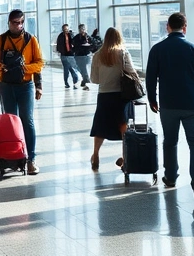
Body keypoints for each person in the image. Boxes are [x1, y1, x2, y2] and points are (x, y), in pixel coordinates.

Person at [146, 12, 194, 203]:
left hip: (168, 104)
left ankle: (170, 177)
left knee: (170, 141)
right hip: (193, 104)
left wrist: (152, 99)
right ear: (185, 27)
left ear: (167, 27)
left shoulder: (157, 49)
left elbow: (150, 77)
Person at [0, 9, 44, 175]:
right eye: (14, 23)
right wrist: (0, 67)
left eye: (20, 22)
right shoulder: (1, 40)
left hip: (25, 85)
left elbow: (39, 62)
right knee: (11, 122)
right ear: (9, 23)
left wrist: (34, 79)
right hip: (6, 85)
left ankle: (30, 159)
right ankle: (13, 157)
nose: (18, 26)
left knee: (27, 120)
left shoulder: (31, 40)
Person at [87, 27, 137, 171]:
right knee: (123, 126)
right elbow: (132, 72)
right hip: (122, 96)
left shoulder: (98, 55)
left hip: (104, 95)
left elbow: (94, 79)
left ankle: (96, 155)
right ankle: (125, 158)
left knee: (101, 126)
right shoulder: (123, 53)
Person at [56, 24, 80, 89]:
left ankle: (75, 83)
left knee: (73, 69)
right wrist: (60, 51)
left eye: (67, 29)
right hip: (64, 55)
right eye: (65, 29)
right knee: (66, 69)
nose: (66, 30)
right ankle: (66, 83)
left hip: (71, 54)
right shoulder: (60, 36)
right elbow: (58, 45)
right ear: (62, 29)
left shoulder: (71, 35)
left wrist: (74, 50)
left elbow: (75, 43)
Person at [73, 24, 94, 90]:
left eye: (84, 29)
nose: (83, 30)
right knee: (81, 69)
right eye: (81, 29)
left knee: (85, 69)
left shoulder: (88, 37)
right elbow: (74, 46)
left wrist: (90, 48)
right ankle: (84, 81)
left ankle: (86, 82)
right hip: (78, 56)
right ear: (79, 30)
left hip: (86, 56)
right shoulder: (76, 38)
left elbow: (92, 45)